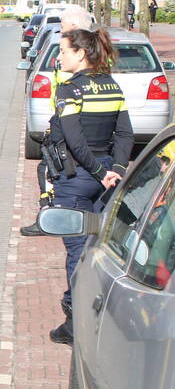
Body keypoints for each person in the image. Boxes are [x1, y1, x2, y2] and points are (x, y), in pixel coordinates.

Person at [44, 27, 132, 345]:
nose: (60, 56)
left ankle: (76, 319)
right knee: (99, 247)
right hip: (106, 175)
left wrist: (96, 171)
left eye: (64, 51)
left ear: (80, 54)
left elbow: (73, 139)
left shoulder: (70, 90)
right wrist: (115, 171)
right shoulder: (112, 86)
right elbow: (124, 134)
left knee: (77, 250)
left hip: (78, 177)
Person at [21, 6, 93, 236]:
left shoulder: (75, 56)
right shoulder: (91, 51)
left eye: (63, 27)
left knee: (52, 169)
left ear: (73, 26)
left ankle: (50, 217)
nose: (61, 31)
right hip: (65, 117)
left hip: (69, 121)